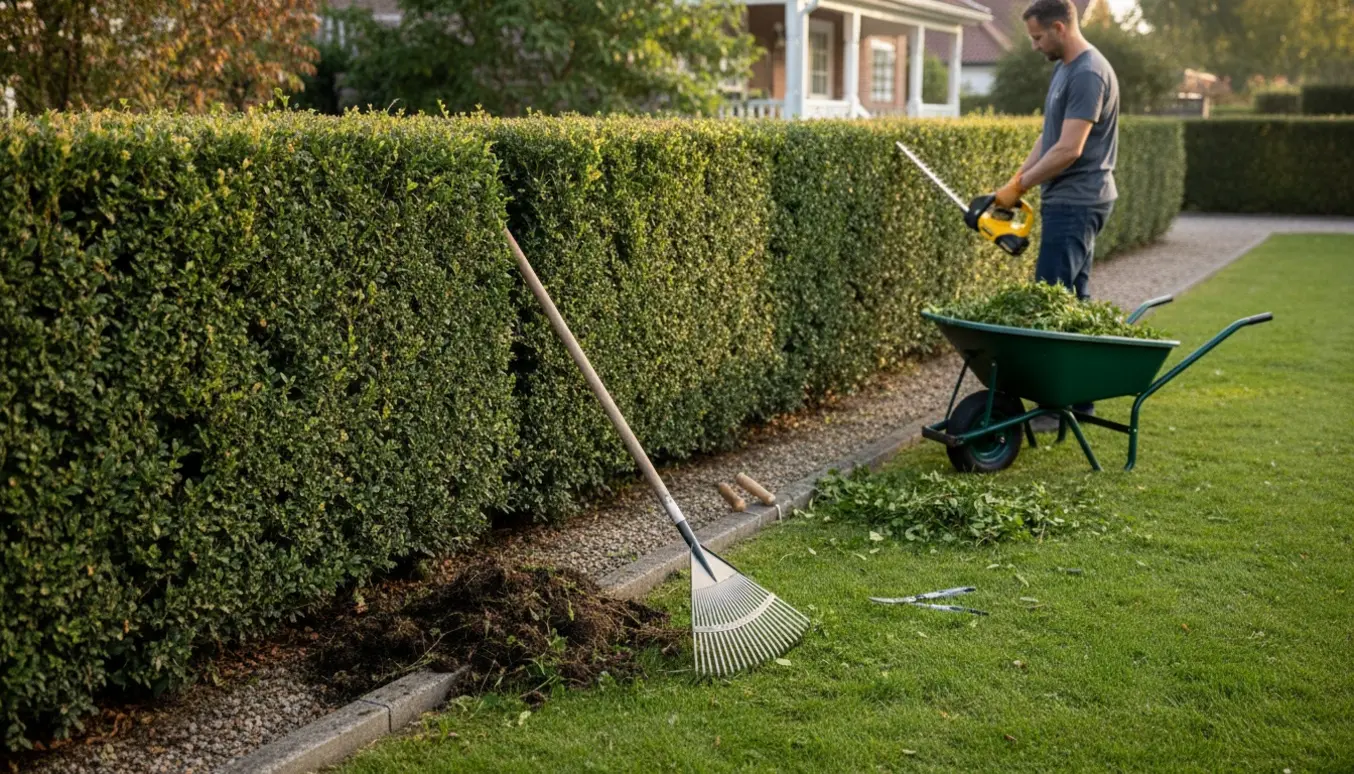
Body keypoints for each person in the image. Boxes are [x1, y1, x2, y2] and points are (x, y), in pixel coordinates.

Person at [994, 0, 1120, 427]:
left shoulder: (1087, 73)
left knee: (1051, 298)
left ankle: (1053, 408)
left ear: (1060, 28)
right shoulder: (1065, 68)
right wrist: (1018, 179)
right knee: (1074, 300)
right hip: (1071, 199)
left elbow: (1070, 149)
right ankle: (1078, 405)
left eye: (1037, 37)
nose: (1033, 46)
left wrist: (1022, 186)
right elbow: (1050, 138)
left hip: (1078, 200)